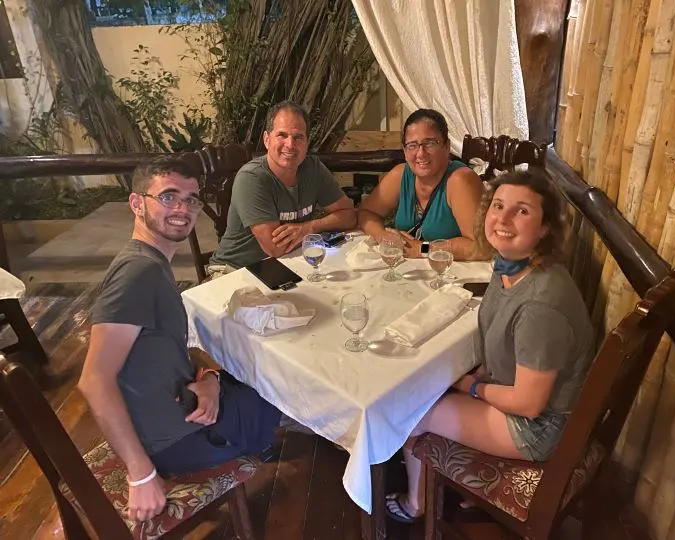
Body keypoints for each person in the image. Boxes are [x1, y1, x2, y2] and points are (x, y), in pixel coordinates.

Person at [384, 169, 596, 523]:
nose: (504, 219)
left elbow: (528, 405)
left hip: (538, 428)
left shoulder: (540, 305)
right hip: (514, 390)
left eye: (522, 211)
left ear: (545, 229)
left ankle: (416, 503)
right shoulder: (510, 265)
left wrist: (469, 385)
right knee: (428, 387)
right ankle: (451, 475)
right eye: (498, 205)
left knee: (409, 413)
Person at [78, 157, 282, 523]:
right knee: (280, 388)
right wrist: (141, 474)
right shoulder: (138, 273)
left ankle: (249, 429)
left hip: (181, 407)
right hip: (174, 442)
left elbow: (174, 349)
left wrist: (208, 379)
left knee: (243, 370)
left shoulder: (151, 262)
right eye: (168, 197)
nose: (183, 209)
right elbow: (94, 379)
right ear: (137, 203)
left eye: (191, 200)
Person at [209, 100, 356, 274]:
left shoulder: (313, 168)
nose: (290, 145)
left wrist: (309, 228)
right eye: (282, 135)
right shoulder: (252, 178)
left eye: (298, 137)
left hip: (285, 266)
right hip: (234, 271)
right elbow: (275, 249)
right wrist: (318, 229)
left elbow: (350, 216)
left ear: (306, 142)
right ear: (266, 139)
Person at [358, 108, 488, 261]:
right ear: (405, 152)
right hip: (414, 271)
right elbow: (365, 213)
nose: (420, 153)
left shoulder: (460, 180)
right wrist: (383, 236)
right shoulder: (400, 175)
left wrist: (423, 249)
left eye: (430, 143)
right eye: (412, 145)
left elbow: (481, 248)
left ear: (446, 147)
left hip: (455, 275)